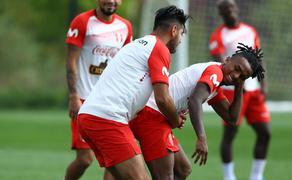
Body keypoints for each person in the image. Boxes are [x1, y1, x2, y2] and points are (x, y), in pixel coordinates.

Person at [77, 5, 190, 180]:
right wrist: (175, 119)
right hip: (107, 119)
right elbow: (162, 99)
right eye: (182, 33)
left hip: (92, 117)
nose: (181, 39)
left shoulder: (138, 44)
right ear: (174, 30)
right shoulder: (159, 48)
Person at [129, 43, 265, 180]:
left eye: (242, 76)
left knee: (183, 169)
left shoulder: (215, 85)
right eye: (237, 68)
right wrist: (201, 138)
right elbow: (195, 101)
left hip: (154, 116)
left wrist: (239, 86)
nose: (236, 75)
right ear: (227, 59)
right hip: (150, 115)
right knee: (165, 177)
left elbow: (232, 118)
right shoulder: (215, 72)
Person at [64, 0, 132, 179]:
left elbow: (125, 66)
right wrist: (73, 96)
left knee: (114, 159)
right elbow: (71, 61)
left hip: (111, 102)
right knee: (85, 159)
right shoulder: (82, 21)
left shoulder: (125, 27)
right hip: (84, 100)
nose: (111, 1)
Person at [208, 1, 271, 180]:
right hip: (232, 91)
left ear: (237, 8)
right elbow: (224, 65)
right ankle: (229, 177)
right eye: (225, 8)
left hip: (254, 91)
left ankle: (256, 176)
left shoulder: (250, 30)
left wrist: (263, 84)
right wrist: (238, 85)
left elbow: (258, 57)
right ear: (221, 13)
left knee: (265, 132)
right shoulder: (217, 36)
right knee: (230, 133)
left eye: (232, 6)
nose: (230, 10)